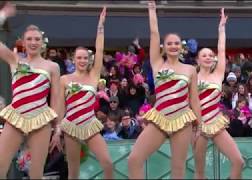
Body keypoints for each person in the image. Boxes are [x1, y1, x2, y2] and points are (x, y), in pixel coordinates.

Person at [127, 1, 201, 179]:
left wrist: (199, 125)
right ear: (164, 47)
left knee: (178, 169)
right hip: (159, 118)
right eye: (169, 43)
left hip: (182, 120)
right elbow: (154, 33)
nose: (173, 46)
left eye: (176, 43)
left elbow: (194, 99)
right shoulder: (157, 63)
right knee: (134, 159)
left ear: (181, 47)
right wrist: (152, 9)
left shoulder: (190, 69)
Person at [50, 7, 113, 179]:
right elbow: (61, 108)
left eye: (85, 57)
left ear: (89, 59)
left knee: (107, 162)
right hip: (71, 126)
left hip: (90, 125)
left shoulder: (94, 75)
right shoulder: (65, 79)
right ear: (73, 59)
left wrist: (101, 25)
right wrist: (57, 131)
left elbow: (99, 50)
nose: (83, 60)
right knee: (73, 171)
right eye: (79, 57)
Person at [0, 2, 61, 179]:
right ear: (23, 42)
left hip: (41, 120)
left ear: (42, 43)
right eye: (29, 39)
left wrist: (57, 129)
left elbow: (56, 99)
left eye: (37, 39)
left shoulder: (52, 66)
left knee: (36, 173)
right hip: (16, 116)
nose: (33, 42)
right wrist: (3, 15)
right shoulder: (15, 60)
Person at [193, 8, 244, 179]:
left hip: (215, 123)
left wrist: (221, 28)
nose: (208, 57)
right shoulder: (190, 76)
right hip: (197, 127)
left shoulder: (218, 74)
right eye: (204, 55)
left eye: (210, 55)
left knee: (238, 161)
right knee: (199, 172)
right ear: (198, 60)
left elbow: (222, 50)